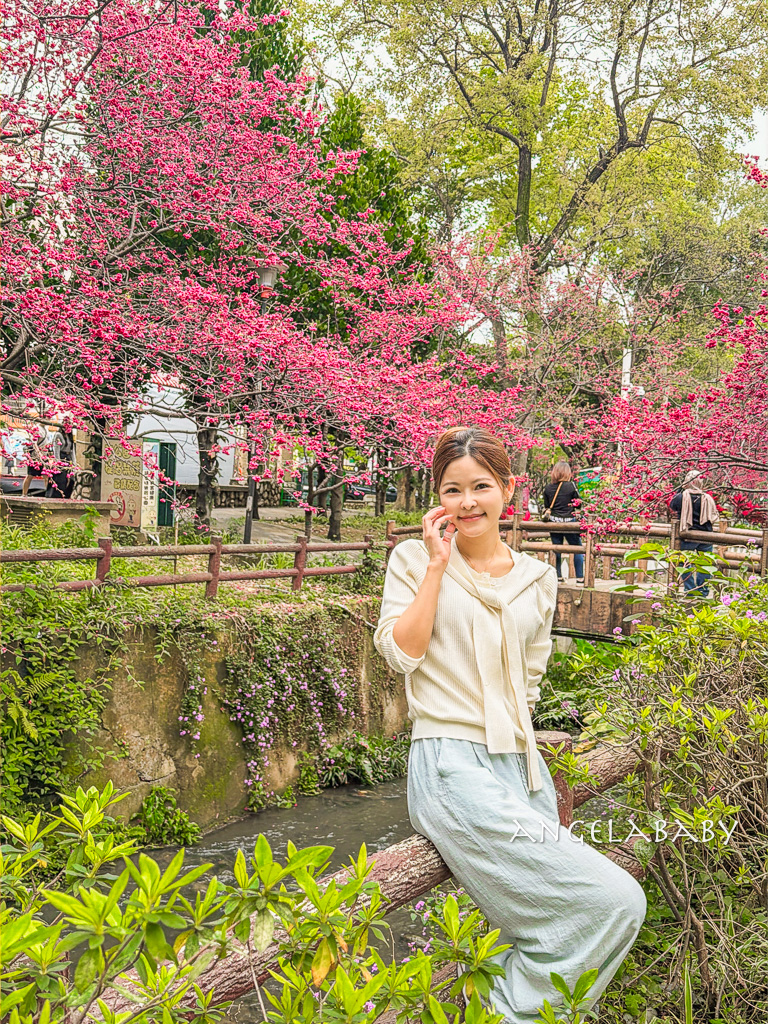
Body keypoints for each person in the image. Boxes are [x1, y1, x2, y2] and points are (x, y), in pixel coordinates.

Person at [374, 426, 646, 1023]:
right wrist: (437, 569)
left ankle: (496, 1006)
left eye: (480, 486)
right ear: (437, 496)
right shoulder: (414, 560)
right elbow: (402, 652)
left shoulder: (537, 577)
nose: (467, 501)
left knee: (561, 918)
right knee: (617, 899)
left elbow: (530, 677)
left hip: (520, 768)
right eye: (452, 489)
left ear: (508, 489)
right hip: (450, 763)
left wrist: (528, 762)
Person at [669, 470, 718, 596]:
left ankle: (690, 590)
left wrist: (680, 489)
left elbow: (672, 505)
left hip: (688, 536)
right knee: (705, 564)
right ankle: (703, 590)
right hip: (706, 536)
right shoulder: (707, 498)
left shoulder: (681, 497)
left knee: (684, 563)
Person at [542, 461, 584, 583]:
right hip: (569, 522)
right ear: (567, 473)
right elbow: (578, 504)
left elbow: (546, 506)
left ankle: (558, 577)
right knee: (578, 549)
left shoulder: (548, 488)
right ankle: (580, 578)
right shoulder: (571, 486)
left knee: (557, 549)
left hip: (554, 522)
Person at [45, 418, 77, 498]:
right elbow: (56, 450)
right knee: (60, 479)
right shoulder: (58, 434)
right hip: (61, 457)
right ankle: (56, 495)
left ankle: (66, 495)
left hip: (68, 457)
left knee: (70, 479)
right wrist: (58, 462)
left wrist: (74, 463)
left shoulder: (70, 435)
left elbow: (72, 450)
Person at [21, 426, 49, 496]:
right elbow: (34, 443)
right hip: (35, 457)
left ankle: (48, 494)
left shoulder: (46, 429)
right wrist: (39, 453)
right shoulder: (36, 428)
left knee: (46, 475)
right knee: (30, 475)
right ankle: (24, 494)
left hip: (44, 455)